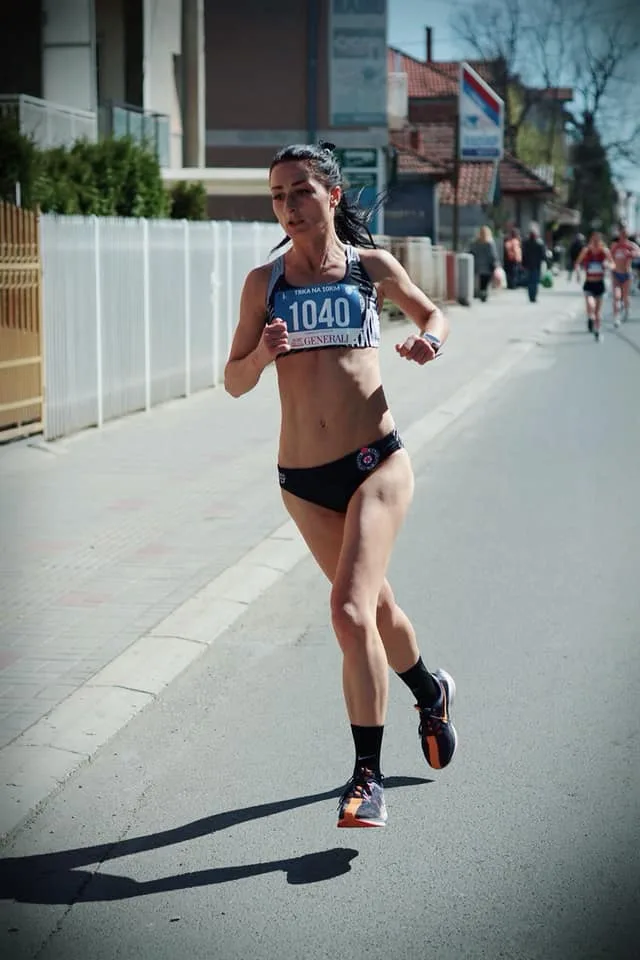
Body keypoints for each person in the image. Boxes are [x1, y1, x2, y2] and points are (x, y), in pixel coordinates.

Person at [224, 143, 457, 830]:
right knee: (375, 610)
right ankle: (430, 691)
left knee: (348, 613)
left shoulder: (369, 266)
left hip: (375, 463)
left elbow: (433, 314)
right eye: (277, 195)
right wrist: (262, 355)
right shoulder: (263, 283)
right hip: (303, 482)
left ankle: (366, 780)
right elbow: (232, 381)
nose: (288, 206)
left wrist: (429, 343)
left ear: (330, 194)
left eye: (300, 190)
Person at [574, 231, 613, 341]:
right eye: (594, 240)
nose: (595, 243)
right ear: (591, 240)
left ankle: (597, 330)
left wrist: (608, 265)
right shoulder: (586, 251)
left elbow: (612, 264)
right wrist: (578, 272)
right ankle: (590, 318)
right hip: (589, 283)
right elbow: (577, 263)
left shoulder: (605, 251)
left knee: (597, 311)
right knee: (591, 305)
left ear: (601, 241)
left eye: (597, 240)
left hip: (600, 283)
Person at [609, 224, 640, 325]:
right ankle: (616, 317)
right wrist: (610, 265)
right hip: (616, 274)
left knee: (626, 297)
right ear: (619, 235)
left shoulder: (631, 245)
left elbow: (638, 252)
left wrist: (631, 254)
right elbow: (609, 256)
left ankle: (626, 310)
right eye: (622, 234)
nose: (623, 236)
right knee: (617, 296)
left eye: (625, 234)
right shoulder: (615, 246)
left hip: (627, 274)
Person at [469, 225, 499, 302]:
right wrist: (495, 262)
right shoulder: (490, 243)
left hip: (478, 266)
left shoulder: (475, 242)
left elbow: (471, 252)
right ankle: (484, 293)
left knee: (481, 281)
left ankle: (482, 293)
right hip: (487, 266)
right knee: (486, 281)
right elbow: (492, 254)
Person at [521, 222, 546, 303]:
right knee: (534, 282)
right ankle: (533, 297)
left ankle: (531, 296)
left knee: (530, 281)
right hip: (536, 265)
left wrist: (523, 263)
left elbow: (523, 254)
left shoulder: (526, 242)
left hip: (529, 265)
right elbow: (543, 255)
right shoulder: (539, 243)